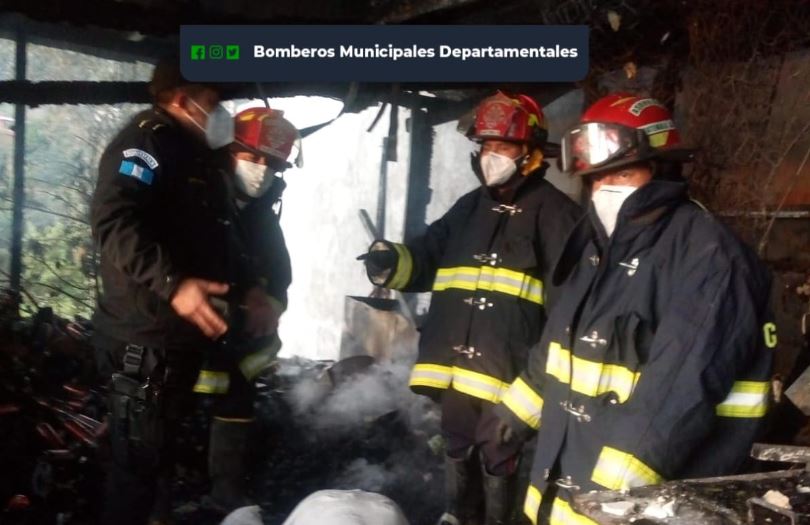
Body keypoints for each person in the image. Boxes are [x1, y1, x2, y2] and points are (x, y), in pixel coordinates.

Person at [492, 93, 776, 525]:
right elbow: (558, 349)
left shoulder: (708, 256)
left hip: (644, 507)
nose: (605, 189)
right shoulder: (593, 250)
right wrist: (511, 416)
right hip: (566, 497)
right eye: (595, 179)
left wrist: (613, 501)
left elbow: (676, 393)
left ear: (661, 169)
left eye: (622, 173)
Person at [358, 92, 581, 525]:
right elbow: (425, 256)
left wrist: (536, 391)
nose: (491, 156)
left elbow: (569, 311)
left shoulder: (557, 216)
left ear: (532, 153)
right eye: (486, 146)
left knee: (499, 455)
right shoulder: (469, 208)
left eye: (503, 147)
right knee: (457, 445)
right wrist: (391, 262)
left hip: (511, 382)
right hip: (456, 377)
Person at [194, 106, 296, 513]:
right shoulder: (197, 205)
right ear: (228, 152)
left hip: (240, 354)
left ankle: (225, 497)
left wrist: (270, 306)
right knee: (171, 432)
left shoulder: (264, 219)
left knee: (235, 412)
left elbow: (281, 277)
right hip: (189, 350)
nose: (261, 169)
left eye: (270, 162)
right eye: (251, 157)